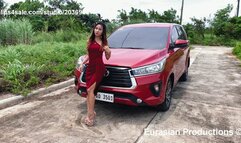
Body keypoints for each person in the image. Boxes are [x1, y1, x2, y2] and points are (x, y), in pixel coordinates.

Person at [82, 22, 111, 126]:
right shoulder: (89, 41)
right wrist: (82, 63)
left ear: (103, 32)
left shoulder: (104, 43)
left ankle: (90, 116)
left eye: (100, 29)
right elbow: (89, 55)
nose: (97, 30)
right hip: (90, 68)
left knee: (90, 90)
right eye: (96, 28)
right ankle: (91, 112)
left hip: (99, 68)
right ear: (94, 29)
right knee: (89, 92)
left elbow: (108, 58)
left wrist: (108, 51)